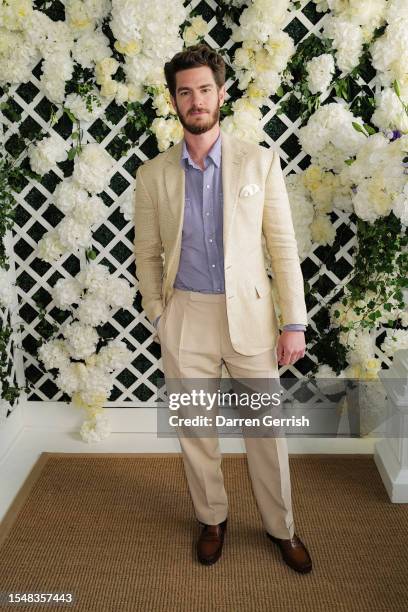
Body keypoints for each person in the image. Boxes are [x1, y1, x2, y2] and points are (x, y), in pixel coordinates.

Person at [134, 43, 312, 573]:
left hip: (251, 318)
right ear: (173, 100)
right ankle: (212, 520)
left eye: (204, 89)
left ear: (221, 93)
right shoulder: (154, 175)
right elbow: (147, 253)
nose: (196, 100)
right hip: (186, 316)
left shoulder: (259, 162)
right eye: (185, 91)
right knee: (196, 431)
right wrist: (158, 313)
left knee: (266, 433)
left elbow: (282, 249)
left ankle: (282, 528)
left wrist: (293, 321)